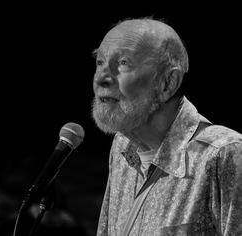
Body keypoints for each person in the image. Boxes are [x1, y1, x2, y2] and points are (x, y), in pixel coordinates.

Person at [91, 17, 242, 236]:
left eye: (123, 63)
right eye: (100, 62)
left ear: (167, 83)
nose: (101, 78)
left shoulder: (224, 155)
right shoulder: (122, 147)